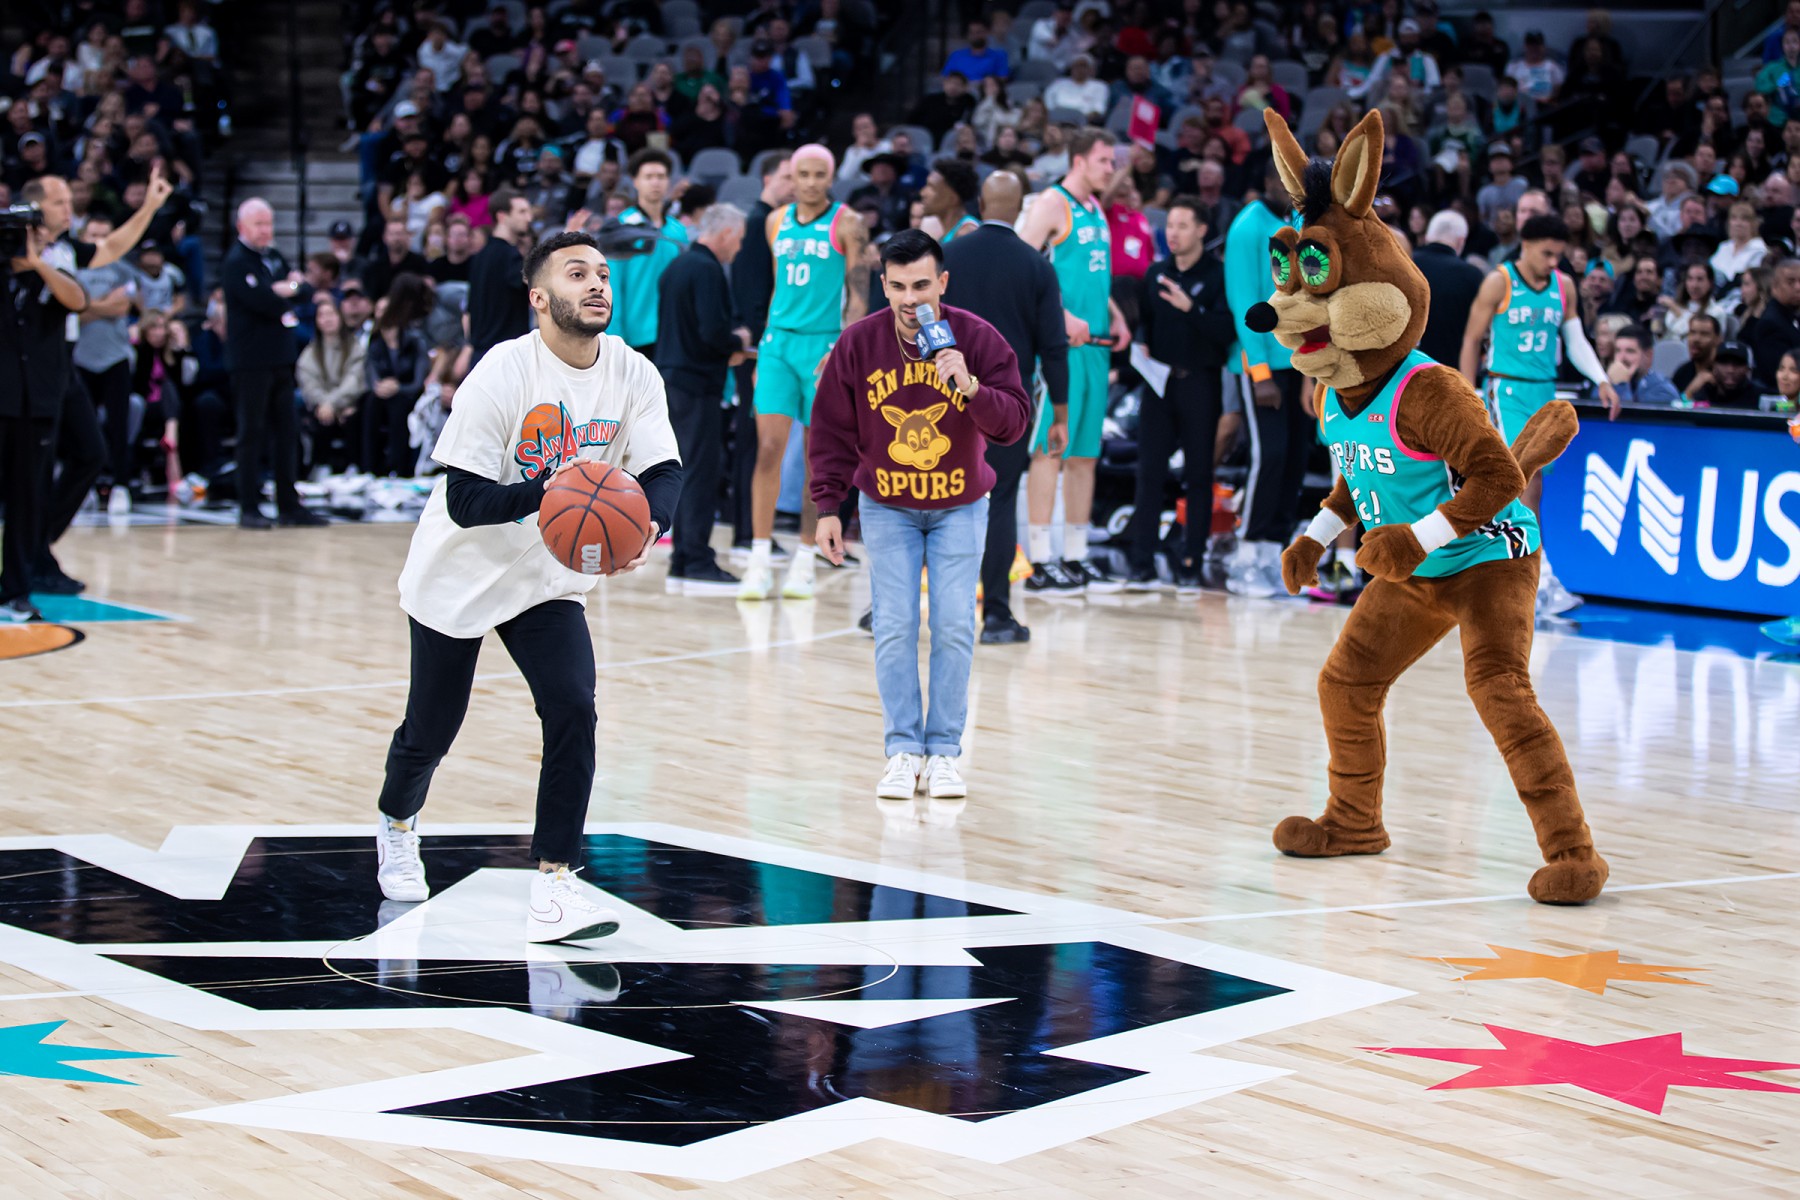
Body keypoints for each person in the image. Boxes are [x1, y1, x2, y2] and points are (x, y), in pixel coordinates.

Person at [373, 230, 683, 944]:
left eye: (603, 273)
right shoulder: (503, 371)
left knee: (573, 706)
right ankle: (396, 822)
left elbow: (663, 470)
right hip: (462, 569)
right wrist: (555, 493)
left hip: (548, 577)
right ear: (540, 298)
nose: (597, 284)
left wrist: (647, 525)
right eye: (577, 274)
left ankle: (554, 882)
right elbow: (464, 501)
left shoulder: (633, 373)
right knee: (431, 730)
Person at [810, 229, 1031, 801]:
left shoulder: (977, 338)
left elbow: (1013, 424)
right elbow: (831, 430)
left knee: (954, 625)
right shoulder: (858, 344)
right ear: (884, 286)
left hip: (961, 506)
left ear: (943, 283)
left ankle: (945, 753)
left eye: (922, 286)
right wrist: (828, 505)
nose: (911, 299)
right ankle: (903, 749)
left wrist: (971, 386)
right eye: (900, 287)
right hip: (887, 507)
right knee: (894, 626)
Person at [1460, 214, 1619, 615]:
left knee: (1528, 487)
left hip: (1544, 392)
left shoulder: (1564, 286)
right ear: (1526, 245)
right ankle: (1539, 579)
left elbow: (1575, 339)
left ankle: (1501, 572)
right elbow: (1472, 339)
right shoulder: (1499, 281)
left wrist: (1601, 378)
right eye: (1547, 253)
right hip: (1506, 389)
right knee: (1526, 483)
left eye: (1558, 255)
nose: (1552, 262)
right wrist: (1466, 394)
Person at [941, 171, 1070, 645]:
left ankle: (892, 610)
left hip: (945, 393)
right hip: (1006, 401)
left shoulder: (947, 256)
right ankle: (996, 616)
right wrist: (1060, 413)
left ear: (980, 202)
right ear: (1019, 210)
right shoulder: (1036, 266)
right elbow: (1053, 347)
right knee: (998, 501)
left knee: (927, 498)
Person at [742, 143, 870, 602]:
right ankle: (758, 560)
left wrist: (842, 349)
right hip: (778, 343)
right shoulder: (775, 221)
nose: (812, 182)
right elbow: (777, 286)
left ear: (831, 178)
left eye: (820, 174)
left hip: (823, 345)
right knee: (767, 450)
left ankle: (804, 557)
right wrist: (762, 352)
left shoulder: (849, 222)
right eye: (804, 174)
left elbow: (859, 297)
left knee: (819, 458)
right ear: (791, 177)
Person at [1017, 127, 1131, 595]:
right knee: (1051, 449)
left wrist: (1115, 314)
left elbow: (1093, 275)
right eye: (1104, 160)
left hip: (1096, 348)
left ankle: (1076, 556)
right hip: (1059, 349)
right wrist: (1060, 317)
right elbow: (1020, 269)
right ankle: (1040, 560)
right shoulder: (1052, 203)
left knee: (1084, 455)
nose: (1111, 169)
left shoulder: (1096, 208)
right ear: (1079, 160)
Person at [1124, 196, 1234, 593]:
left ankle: (1191, 560)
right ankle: (1141, 560)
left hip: (1199, 383)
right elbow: (1144, 321)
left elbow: (1226, 332)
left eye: (1182, 226)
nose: (1173, 233)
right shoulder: (1156, 273)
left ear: (1202, 230)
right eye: (1170, 225)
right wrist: (1140, 342)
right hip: (1158, 384)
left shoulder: (1218, 276)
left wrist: (1192, 309)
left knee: (1198, 473)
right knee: (1149, 472)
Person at [656, 203, 752, 594]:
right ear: (725, 233)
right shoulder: (707, 269)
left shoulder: (676, 266)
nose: (739, 248)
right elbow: (712, 332)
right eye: (739, 239)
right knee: (700, 473)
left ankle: (684, 558)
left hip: (672, 380)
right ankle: (695, 559)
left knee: (686, 470)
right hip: (696, 385)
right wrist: (738, 341)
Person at [1222, 157, 1305, 597]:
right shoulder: (1247, 227)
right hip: (1263, 366)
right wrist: (1259, 373)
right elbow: (1243, 303)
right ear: (1270, 179)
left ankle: (1273, 552)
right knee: (1268, 455)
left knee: (1295, 457)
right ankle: (1244, 555)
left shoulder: (1300, 222)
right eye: (1287, 181)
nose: (1294, 189)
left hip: (1301, 363)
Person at [1, 211, 87, 621]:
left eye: (30, 234)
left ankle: (15, 590)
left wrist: (37, 263)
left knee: (27, 498)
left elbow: (78, 300)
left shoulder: (51, 279)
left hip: (35, 405)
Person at [222, 199, 326, 529]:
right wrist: (283, 290)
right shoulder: (236, 262)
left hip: (281, 358)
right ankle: (249, 506)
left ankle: (289, 506)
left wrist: (288, 288)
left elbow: (304, 291)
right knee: (251, 433)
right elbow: (264, 301)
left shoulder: (274, 256)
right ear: (241, 226)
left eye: (268, 223)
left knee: (287, 432)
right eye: (258, 224)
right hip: (251, 360)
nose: (265, 230)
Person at [730, 152, 793, 555]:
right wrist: (760, 343)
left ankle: (752, 532)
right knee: (755, 442)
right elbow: (753, 290)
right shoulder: (759, 222)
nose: (796, 185)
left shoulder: (771, 222)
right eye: (789, 176)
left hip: (763, 346)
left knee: (760, 442)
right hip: (758, 349)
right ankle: (747, 532)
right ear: (768, 178)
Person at [70, 215, 140, 512]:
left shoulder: (122, 269)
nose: (99, 241)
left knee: (118, 425)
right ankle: (82, 488)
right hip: (81, 358)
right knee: (79, 429)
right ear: (82, 238)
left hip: (115, 358)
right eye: (93, 235)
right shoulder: (73, 268)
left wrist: (87, 304)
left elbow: (122, 306)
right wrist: (101, 305)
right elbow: (72, 310)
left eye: (105, 235)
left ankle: (121, 485)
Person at [606, 148, 688, 357]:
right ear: (635, 181)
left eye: (661, 176)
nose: (655, 182)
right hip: (635, 337)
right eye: (648, 177)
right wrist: (614, 340)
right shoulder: (621, 229)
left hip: (676, 334)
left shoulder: (678, 231)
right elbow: (611, 287)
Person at [363, 273, 433, 477]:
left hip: (408, 394)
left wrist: (398, 387)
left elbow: (418, 382)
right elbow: (371, 377)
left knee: (398, 404)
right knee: (370, 402)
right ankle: (370, 468)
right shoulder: (374, 343)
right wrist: (380, 386)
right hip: (383, 394)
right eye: (380, 310)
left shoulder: (414, 340)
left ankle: (401, 469)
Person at [298, 294, 367, 475]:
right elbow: (309, 384)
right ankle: (321, 465)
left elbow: (355, 379)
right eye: (322, 315)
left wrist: (334, 403)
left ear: (340, 317)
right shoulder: (310, 352)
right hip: (321, 406)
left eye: (331, 314)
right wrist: (326, 404)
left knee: (354, 413)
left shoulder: (355, 347)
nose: (327, 319)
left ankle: (355, 465)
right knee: (319, 415)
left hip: (348, 403)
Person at [467, 187, 534, 366]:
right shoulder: (510, 256)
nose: (529, 218)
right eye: (522, 212)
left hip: (480, 357)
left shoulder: (479, 257)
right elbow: (534, 284)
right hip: (505, 357)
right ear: (502, 216)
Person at [1413, 211, 1485, 365]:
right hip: (1451, 369)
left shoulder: (1406, 264)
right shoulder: (1472, 276)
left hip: (1404, 369)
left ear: (1427, 236)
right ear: (1461, 241)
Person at [1744, 256, 1800, 390]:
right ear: (1774, 285)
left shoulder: (1791, 315)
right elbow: (1778, 375)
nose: (1798, 287)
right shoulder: (1771, 323)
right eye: (1791, 282)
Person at [1607, 325, 1680, 406]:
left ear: (1648, 355)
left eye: (1630, 351)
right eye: (1617, 351)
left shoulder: (1662, 391)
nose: (1621, 358)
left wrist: (1621, 385)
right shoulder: (1607, 382)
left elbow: (1626, 413)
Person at [919, 156, 980, 245]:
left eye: (931, 187)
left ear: (953, 199)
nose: (922, 193)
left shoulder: (967, 233)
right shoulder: (950, 232)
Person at [1694, 341, 1762, 408]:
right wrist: (1690, 391)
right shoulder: (1704, 392)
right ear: (1714, 366)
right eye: (1724, 363)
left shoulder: (1760, 397)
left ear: (1747, 369)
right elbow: (1688, 406)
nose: (1730, 370)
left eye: (1737, 363)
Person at [1671, 312, 1721, 401]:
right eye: (1692, 332)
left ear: (1717, 339)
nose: (1696, 339)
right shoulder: (1682, 372)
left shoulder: (1724, 374)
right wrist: (1689, 392)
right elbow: (1674, 405)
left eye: (1704, 334)